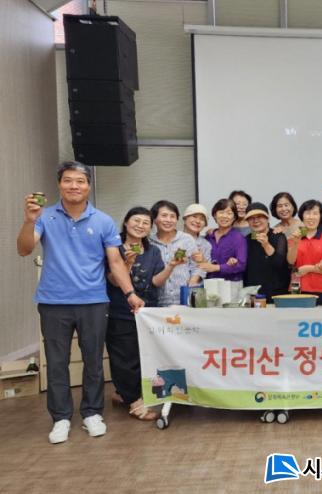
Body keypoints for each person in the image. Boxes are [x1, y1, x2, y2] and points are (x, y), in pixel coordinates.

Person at [16, 161, 144, 444]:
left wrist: (130, 293)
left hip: (94, 301)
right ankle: (61, 418)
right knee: (57, 363)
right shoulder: (44, 216)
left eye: (80, 181)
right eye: (68, 180)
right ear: (59, 184)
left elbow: (115, 262)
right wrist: (28, 220)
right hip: (53, 302)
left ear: (88, 186)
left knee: (94, 361)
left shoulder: (103, 221)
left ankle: (92, 413)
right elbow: (24, 249)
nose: (74, 186)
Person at [106, 207, 175, 421]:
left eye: (146, 223)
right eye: (136, 220)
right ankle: (135, 402)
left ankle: (124, 393)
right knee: (124, 357)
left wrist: (171, 266)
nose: (141, 225)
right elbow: (113, 280)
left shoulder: (153, 251)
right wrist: (127, 263)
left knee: (141, 356)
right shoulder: (113, 247)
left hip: (147, 312)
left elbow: (155, 281)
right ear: (126, 222)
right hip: (120, 310)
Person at [149, 200, 203, 306]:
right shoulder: (149, 242)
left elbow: (197, 265)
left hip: (185, 298)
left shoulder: (186, 239)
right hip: (157, 301)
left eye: (172, 216)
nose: (168, 220)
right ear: (154, 219)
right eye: (164, 215)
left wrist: (192, 283)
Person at [287, 199, 322, 305]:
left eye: (315, 213)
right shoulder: (293, 238)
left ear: (320, 216)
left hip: (321, 290)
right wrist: (296, 242)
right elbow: (290, 261)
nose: (311, 217)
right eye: (308, 213)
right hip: (297, 289)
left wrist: (308, 268)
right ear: (302, 216)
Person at [243, 202, 289, 301]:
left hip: (277, 293)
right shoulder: (246, 239)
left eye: (260, 217)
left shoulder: (278, 236)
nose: (256, 221)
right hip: (253, 294)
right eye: (251, 218)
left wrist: (266, 245)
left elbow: (279, 264)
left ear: (267, 218)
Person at [201, 198, 247, 283]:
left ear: (234, 217)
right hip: (209, 284)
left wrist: (217, 267)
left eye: (229, 213)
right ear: (215, 215)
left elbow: (241, 265)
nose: (225, 216)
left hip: (231, 285)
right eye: (221, 212)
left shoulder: (239, 238)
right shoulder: (208, 237)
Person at [182, 203, 212, 267]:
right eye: (194, 216)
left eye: (202, 219)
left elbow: (207, 269)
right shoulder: (173, 239)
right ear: (185, 219)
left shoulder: (206, 245)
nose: (198, 221)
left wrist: (202, 261)